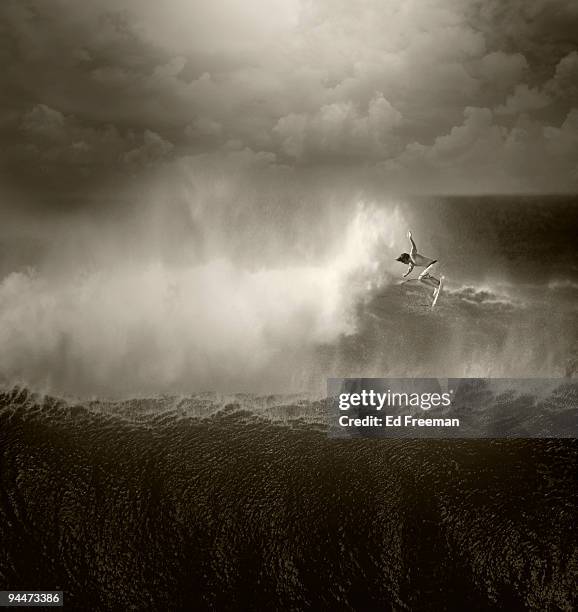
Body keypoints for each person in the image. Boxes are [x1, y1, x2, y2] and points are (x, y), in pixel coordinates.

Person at [396, 231, 440, 295]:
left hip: (433, 264)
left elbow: (413, 247)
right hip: (432, 266)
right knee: (427, 276)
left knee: (421, 278)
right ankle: (438, 283)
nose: (404, 263)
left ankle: (436, 287)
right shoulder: (411, 263)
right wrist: (406, 274)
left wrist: (410, 238)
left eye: (403, 262)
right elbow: (410, 269)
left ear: (405, 259)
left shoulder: (412, 255)